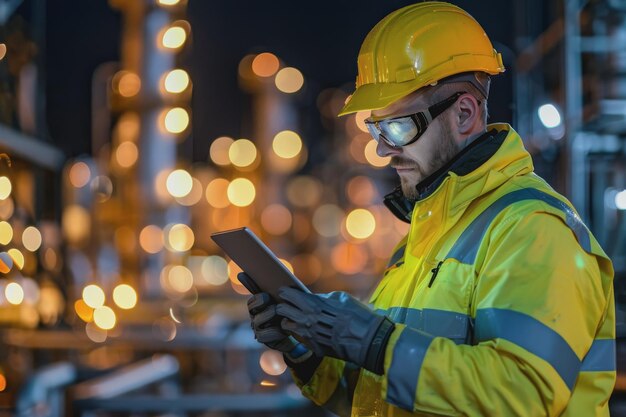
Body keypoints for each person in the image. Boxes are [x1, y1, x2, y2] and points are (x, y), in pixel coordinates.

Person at [242, 2, 616, 416]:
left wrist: (375, 340)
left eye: (399, 127)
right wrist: (304, 347)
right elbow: (378, 395)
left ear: (464, 114)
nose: (383, 149)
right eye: (376, 128)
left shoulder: (532, 228)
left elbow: (521, 395)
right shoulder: (423, 241)